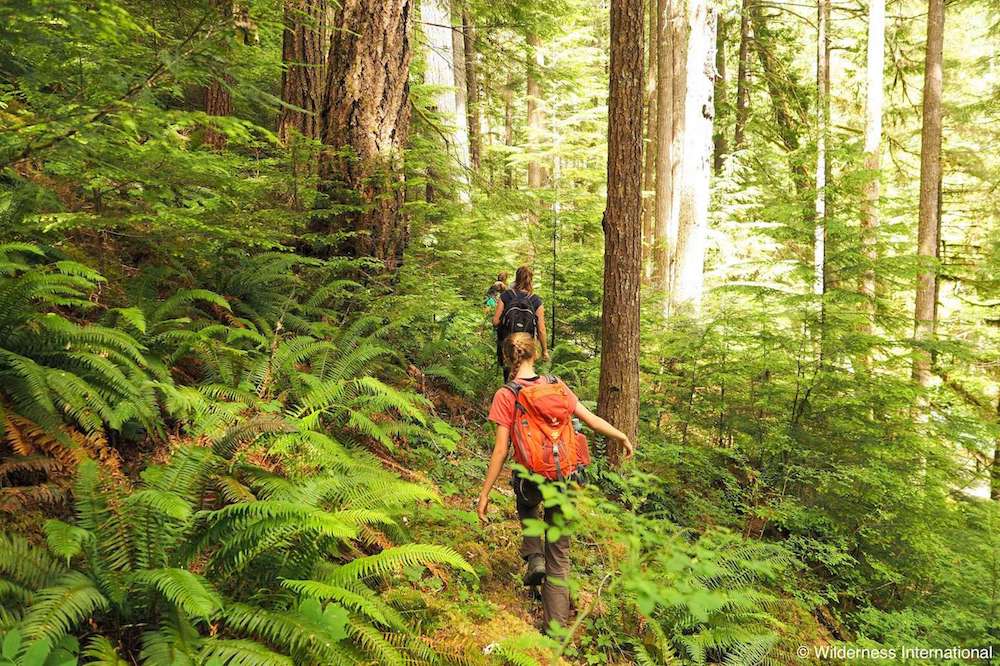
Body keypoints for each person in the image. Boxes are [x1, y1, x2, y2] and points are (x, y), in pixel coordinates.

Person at [477, 333, 634, 634]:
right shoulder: (557, 386)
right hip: (564, 477)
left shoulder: (506, 394)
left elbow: (501, 450)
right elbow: (589, 420)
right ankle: (555, 631)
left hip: (531, 480)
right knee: (559, 556)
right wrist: (621, 435)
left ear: (509, 359)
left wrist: (484, 493)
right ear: (535, 355)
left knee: (525, 501)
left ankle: (534, 555)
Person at [493, 265, 548, 382]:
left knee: (509, 377)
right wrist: (544, 351)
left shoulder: (506, 296)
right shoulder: (536, 300)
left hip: (509, 344)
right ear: (530, 280)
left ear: (516, 278)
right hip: (527, 347)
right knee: (526, 377)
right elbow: (541, 330)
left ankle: (508, 396)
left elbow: (495, 321)